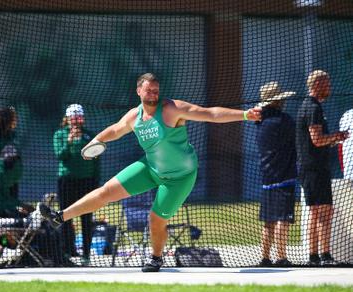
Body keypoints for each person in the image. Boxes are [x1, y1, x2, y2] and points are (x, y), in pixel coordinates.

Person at [41, 73, 261, 272]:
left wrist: (244, 115)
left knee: (155, 219)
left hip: (179, 177)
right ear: (139, 91)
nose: (154, 94)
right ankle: (60, 217)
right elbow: (116, 129)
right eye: (149, 90)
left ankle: (156, 257)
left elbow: (210, 114)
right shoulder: (133, 116)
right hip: (150, 167)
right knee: (106, 191)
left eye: (156, 90)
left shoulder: (171, 108)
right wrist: (96, 141)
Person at [296, 70, 349, 266]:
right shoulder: (314, 108)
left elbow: (315, 142)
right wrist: (337, 136)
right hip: (314, 169)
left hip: (311, 167)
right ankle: (323, 256)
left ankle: (315, 256)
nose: (330, 87)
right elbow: (317, 140)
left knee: (316, 211)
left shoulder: (307, 106)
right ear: (317, 85)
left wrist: (333, 141)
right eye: (327, 84)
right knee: (323, 212)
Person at [255, 82, 297, 267]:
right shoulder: (285, 120)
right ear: (278, 101)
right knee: (282, 219)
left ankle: (265, 257)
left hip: (267, 177)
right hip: (284, 176)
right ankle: (281, 257)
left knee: (268, 220)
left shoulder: (260, 121)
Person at [53, 104, 100, 263]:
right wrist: (69, 140)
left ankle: (86, 254)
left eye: (78, 118)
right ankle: (68, 252)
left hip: (87, 182)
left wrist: (96, 183)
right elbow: (60, 155)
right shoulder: (60, 135)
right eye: (73, 118)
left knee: (87, 218)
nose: (76, 121)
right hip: (66, 182)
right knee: (65, 216)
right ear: (67, 119)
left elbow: (96, 161)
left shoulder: (90, 136)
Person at [339, 109, 353, 180]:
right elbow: (341, 146)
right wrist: (344, 169)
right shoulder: (347, 115)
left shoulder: (347, 115)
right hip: (350, 174)